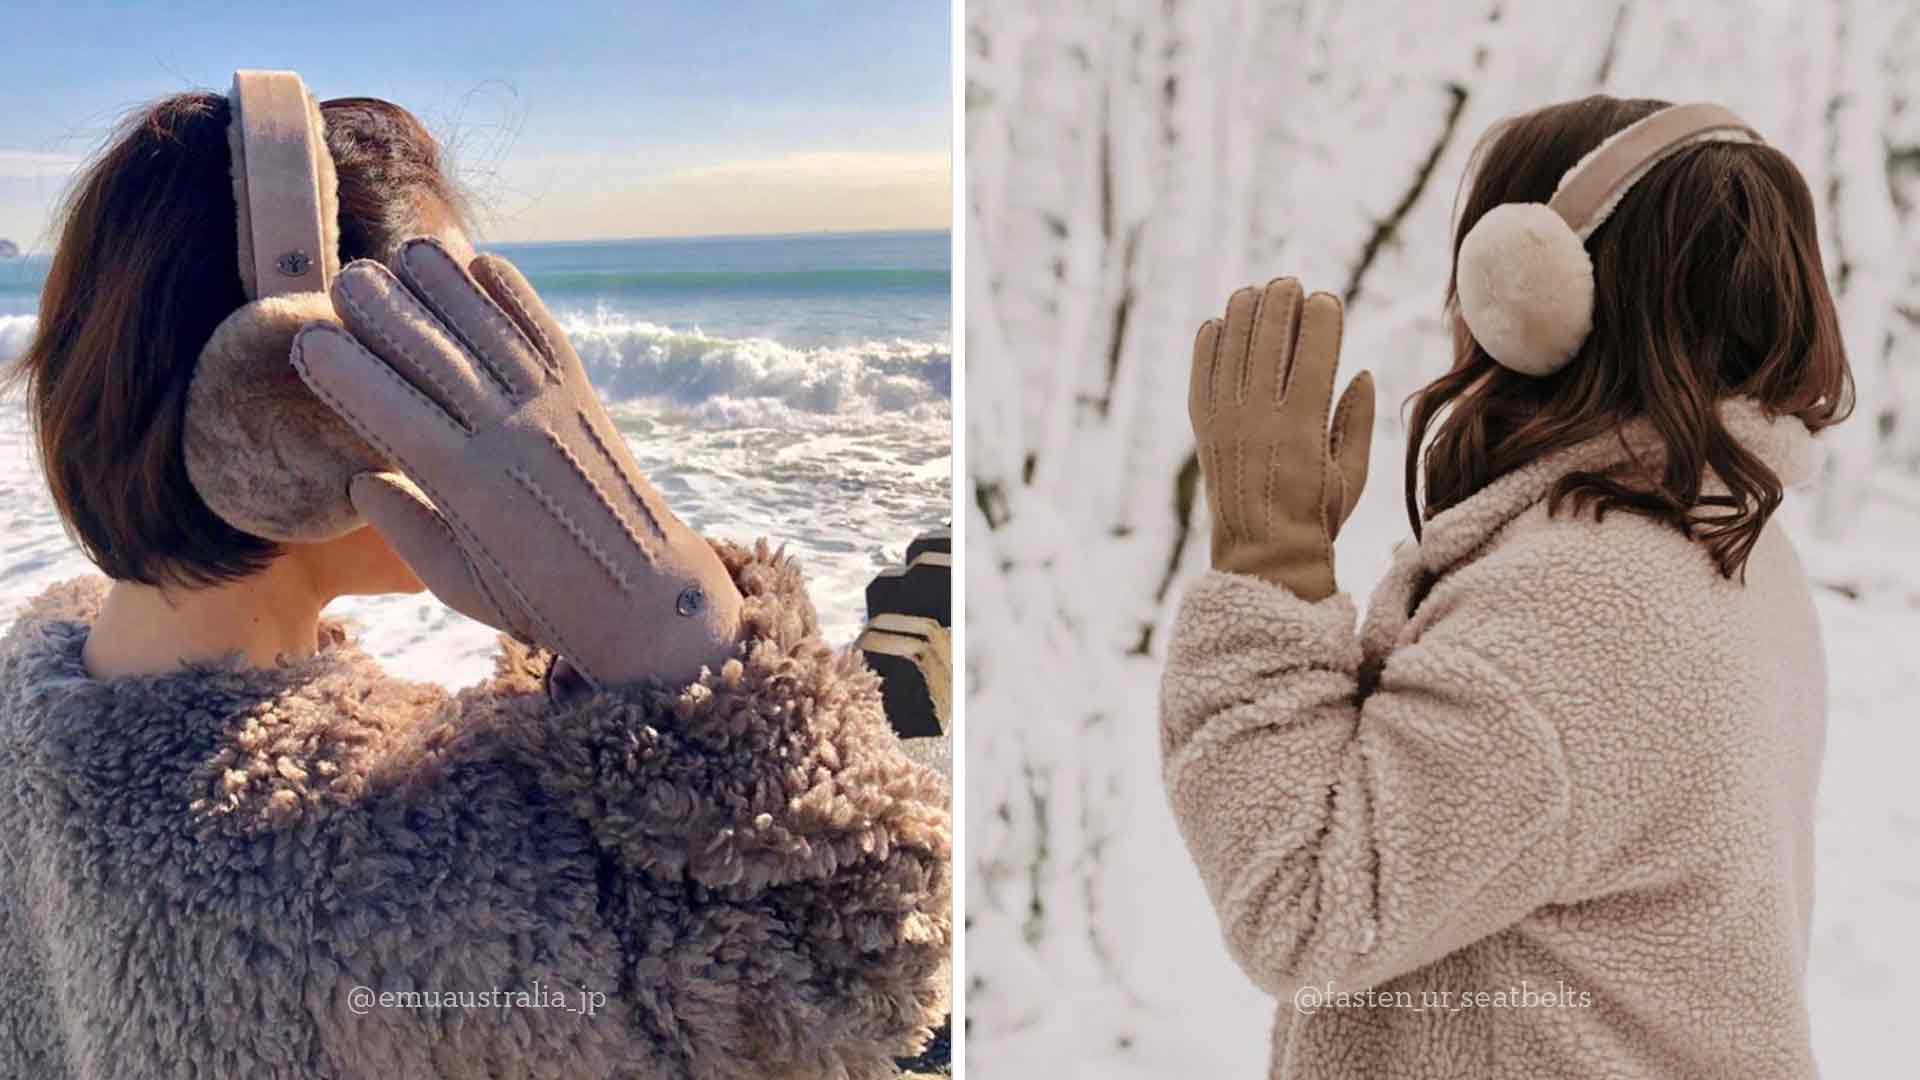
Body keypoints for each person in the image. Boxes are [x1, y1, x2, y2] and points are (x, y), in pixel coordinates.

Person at [0, 89, 949, 1079]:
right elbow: (855, 974)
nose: (507, 418)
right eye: (457, 356)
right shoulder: (420, 877)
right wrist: (694, 634)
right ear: (291, 413)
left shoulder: (30, 698)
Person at [1161, 95, 1849, 1078]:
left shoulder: (1583, 605)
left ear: (1529, 294)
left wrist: (1266, 566)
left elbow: (1310, 908)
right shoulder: (1722, 550)